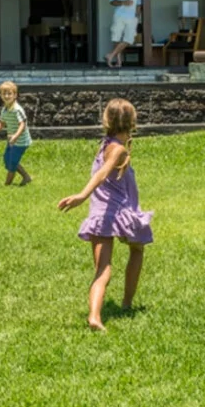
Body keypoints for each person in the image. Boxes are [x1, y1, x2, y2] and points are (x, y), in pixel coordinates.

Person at [58, 98, 153, 331]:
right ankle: (127, 303)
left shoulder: (106, 143)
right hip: (121, 213)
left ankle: (95, 316)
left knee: (103, 269)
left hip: (100, 214)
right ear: (132, 121)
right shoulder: (117, 149)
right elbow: (103, 173)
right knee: (137, 249)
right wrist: (81, 195)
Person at [0, 80, 33, 186]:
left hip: (21, 141)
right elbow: (1, 124)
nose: (6, 96)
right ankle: (26, 177)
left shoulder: (17, 110)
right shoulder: (5, 110)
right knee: (7, 159)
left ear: (15, 95)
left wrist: (16, 136)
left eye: (9, 93)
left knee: (12, 163)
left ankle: (7, 185)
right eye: (4, 93)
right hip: (12, 140)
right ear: (1, 95)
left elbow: (22, 125)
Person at [104, 0, 142, 68]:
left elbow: (139, 3)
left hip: (131, 17)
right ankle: (119, 62)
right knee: (116, 38)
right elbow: (112, 1)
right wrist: (122, 2)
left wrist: (137, 16)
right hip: (119, 15)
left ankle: (110, 55)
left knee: (129, 39)